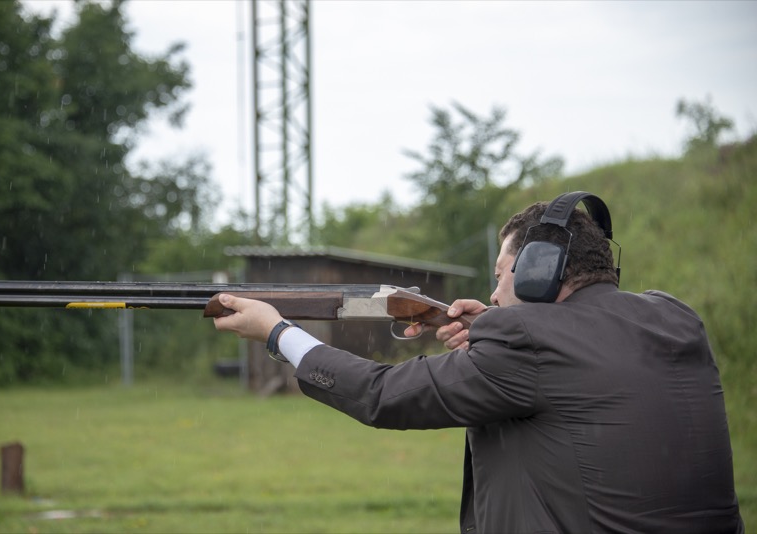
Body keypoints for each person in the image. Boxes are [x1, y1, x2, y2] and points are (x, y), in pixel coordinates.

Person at [212, 192, 743, 533]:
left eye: (500, 275)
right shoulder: (675, 318)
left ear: (538, 272)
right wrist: (495, 328)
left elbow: (381, 394)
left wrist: (279, 333)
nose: (493, 292)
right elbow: (571, 355)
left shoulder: (526, 344)